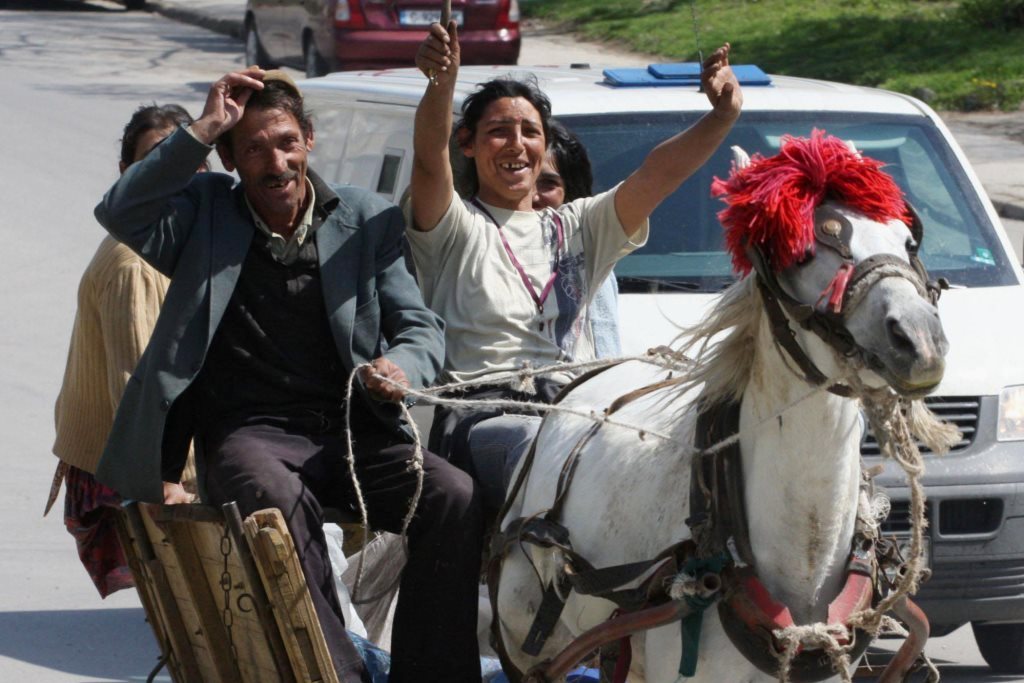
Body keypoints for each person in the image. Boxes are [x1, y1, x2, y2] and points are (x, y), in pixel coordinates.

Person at [93, 67, 483, 683]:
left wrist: (398, 367)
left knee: (453, 496)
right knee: (275, 500)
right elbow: (121, 209)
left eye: (285, 142)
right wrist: (203, 127)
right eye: (252, 149)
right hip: (249, 435)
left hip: (352, 436)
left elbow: (419, 326)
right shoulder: (203, 214)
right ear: (229, 159)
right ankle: (338, 673)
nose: (275, 163)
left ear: (308, 140)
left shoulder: (366, 216)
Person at [409, 21, 742, 503]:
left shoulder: (579, 225)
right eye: (498, 132)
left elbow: (658, 175)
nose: (516, 145)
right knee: (539, 448)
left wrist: (722, 116)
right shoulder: (453, 224)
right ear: (467, 144)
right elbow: (427, 158)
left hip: (580, 411)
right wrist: (442, 83)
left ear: (545, 145)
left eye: (530, 132)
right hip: (485, 418)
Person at [48, 104, 199, 598]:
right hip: (130, 459)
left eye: (188, 159)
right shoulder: (134, 264)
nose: (175, 174)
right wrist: (175, 478)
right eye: (158, 160)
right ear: (128, 175)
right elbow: (137, 386)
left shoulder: (182, 242)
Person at [533, 118, 620, 359]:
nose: (532, 195)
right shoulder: (479, 240)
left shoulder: (587, 256)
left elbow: (605, 349)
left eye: (547, 184)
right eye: (522, 179)